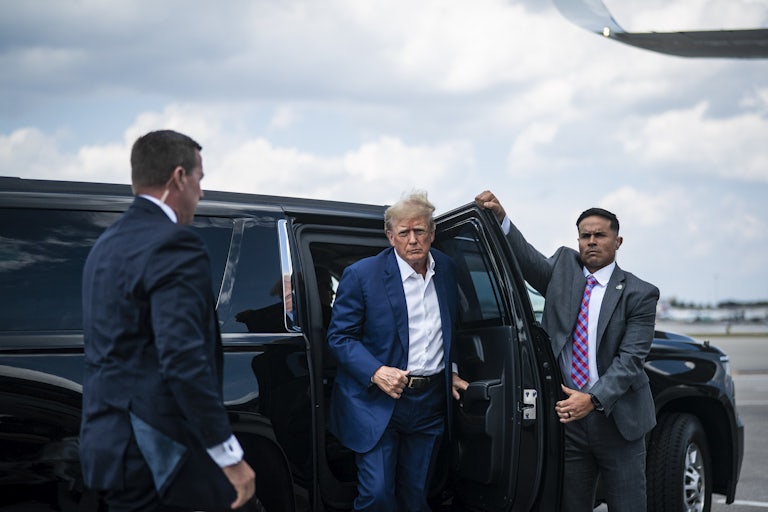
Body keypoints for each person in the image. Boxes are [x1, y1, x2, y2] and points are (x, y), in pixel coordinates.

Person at [80, 130, 256, 512]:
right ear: (179, 177)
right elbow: (182, 358)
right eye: (200, 179)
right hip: (162, 457)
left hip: (108, 451)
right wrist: (229, 456)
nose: (202, 192)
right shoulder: (175, 242)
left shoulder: (105, 244)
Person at [475, 190, 659, 512]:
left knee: (628, 505)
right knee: (571, 504)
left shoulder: (640, 293)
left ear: (617, 242)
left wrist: (592, 399)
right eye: (585, 235)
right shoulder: (563, 270)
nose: (591, 241)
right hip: (568, 419)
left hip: (618, 421)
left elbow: (630, 361)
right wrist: (501, 219)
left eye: (600, 235)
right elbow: (527, 260)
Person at [327, 191, 469, 511]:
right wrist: (376, 371)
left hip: (429, 402)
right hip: (377, 401)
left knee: (416, 496)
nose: (413, 240)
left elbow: (449, 326)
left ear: (432, 233)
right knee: (377, 494)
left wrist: (453, 369)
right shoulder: (362, 275)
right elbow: (339, 338)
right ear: (391, 237)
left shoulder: (446, 269)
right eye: (404, 233)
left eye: (420, 231)